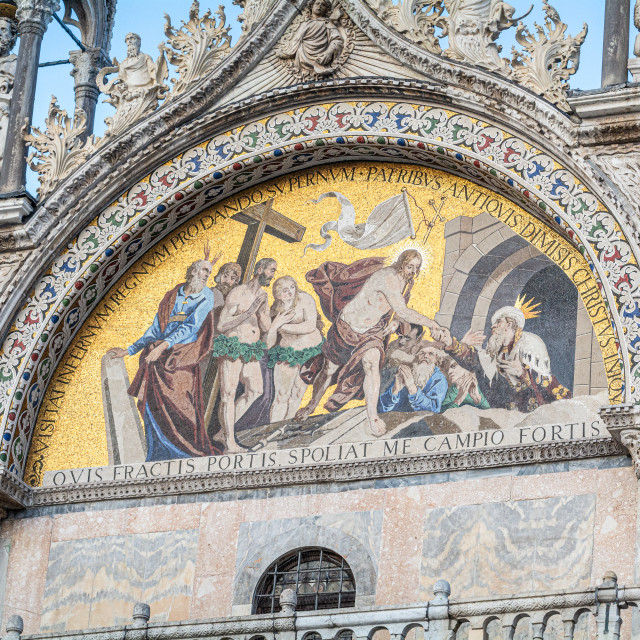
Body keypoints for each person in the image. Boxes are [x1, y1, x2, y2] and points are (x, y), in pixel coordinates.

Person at [297, 249, 440, 436]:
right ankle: (311, 405)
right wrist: (432, 323)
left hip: (372, 331)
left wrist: (395, 321)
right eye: (410, 266)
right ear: (401, 263)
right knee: (328, 369)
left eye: (416, 268)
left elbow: (396, 308)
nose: (413, 271)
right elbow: (403, 310)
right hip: (348, 328)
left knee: (372, 363)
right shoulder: (388, 276)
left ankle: (372, 417)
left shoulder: (406, 282)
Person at [108, 252, 222, 461]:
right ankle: (159, 454)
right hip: (157, 358)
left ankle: (187, 452)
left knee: (184, 406)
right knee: (154, 405)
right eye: (204, 270)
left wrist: (162, 347)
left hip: (182, 357)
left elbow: (192, 326)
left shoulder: (206, 295)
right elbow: (155, 329)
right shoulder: (172, 295)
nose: (207, 275)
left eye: (209, 272)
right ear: (193, 271)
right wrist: (129, 350)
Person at [432, 304, 571, 412]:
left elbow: (546, 383)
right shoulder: (495, 352)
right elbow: (474, 359)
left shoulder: (530, 344)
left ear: (509, 324)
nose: (492, 326)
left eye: (498, 322)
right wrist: (451, 342)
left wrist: (523, 373)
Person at [214, 258, 277, 451]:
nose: (273, 275)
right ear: (259, 269)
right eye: (271, 270)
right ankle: (230, 443)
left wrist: (260, 313)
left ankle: (224, 430)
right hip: (233, 346)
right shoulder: (238, 292)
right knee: (228, 394)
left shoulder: (263, 295)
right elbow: (222, 325)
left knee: (256, 390)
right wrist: (249, 311)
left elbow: (266, 327)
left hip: (250, 349)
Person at [266, 276, 324, 422]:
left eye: (292, 287)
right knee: (281, 395)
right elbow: (269, 343)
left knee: (298, 393)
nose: (291, 292)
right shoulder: (274, 312)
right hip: (287, 355)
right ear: (277, 295)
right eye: (285, 291)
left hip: (310, 353)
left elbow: (310, 325)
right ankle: (274, 428)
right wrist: (274, 326)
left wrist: (281, 326)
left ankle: (286, 428)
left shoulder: (305, 299)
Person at [277, 0, 344, 75]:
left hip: (321, 57)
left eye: (323, 5)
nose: (320, 6)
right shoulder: (305, 23)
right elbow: (297, 40)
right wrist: (288, 53)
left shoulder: (327, 23)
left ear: (326, 9)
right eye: (317, 3)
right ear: (312, 6)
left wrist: (328, 52)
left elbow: (337, 40)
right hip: (301, 55)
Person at [378, 343, 448, 413]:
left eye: (431, 354)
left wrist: (412, 388)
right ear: (417, 357)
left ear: (436, 359)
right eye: (422, 353)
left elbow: (434, 409)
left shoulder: (439, 380)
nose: (425, 356)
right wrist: (395, 390)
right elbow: (381, 407)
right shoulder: (407, 373)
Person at [380, 323, 424, 395]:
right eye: (400, 337)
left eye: (408, 339)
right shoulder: (392, 345)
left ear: (418, 340)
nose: (401, 341)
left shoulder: (422, 352)